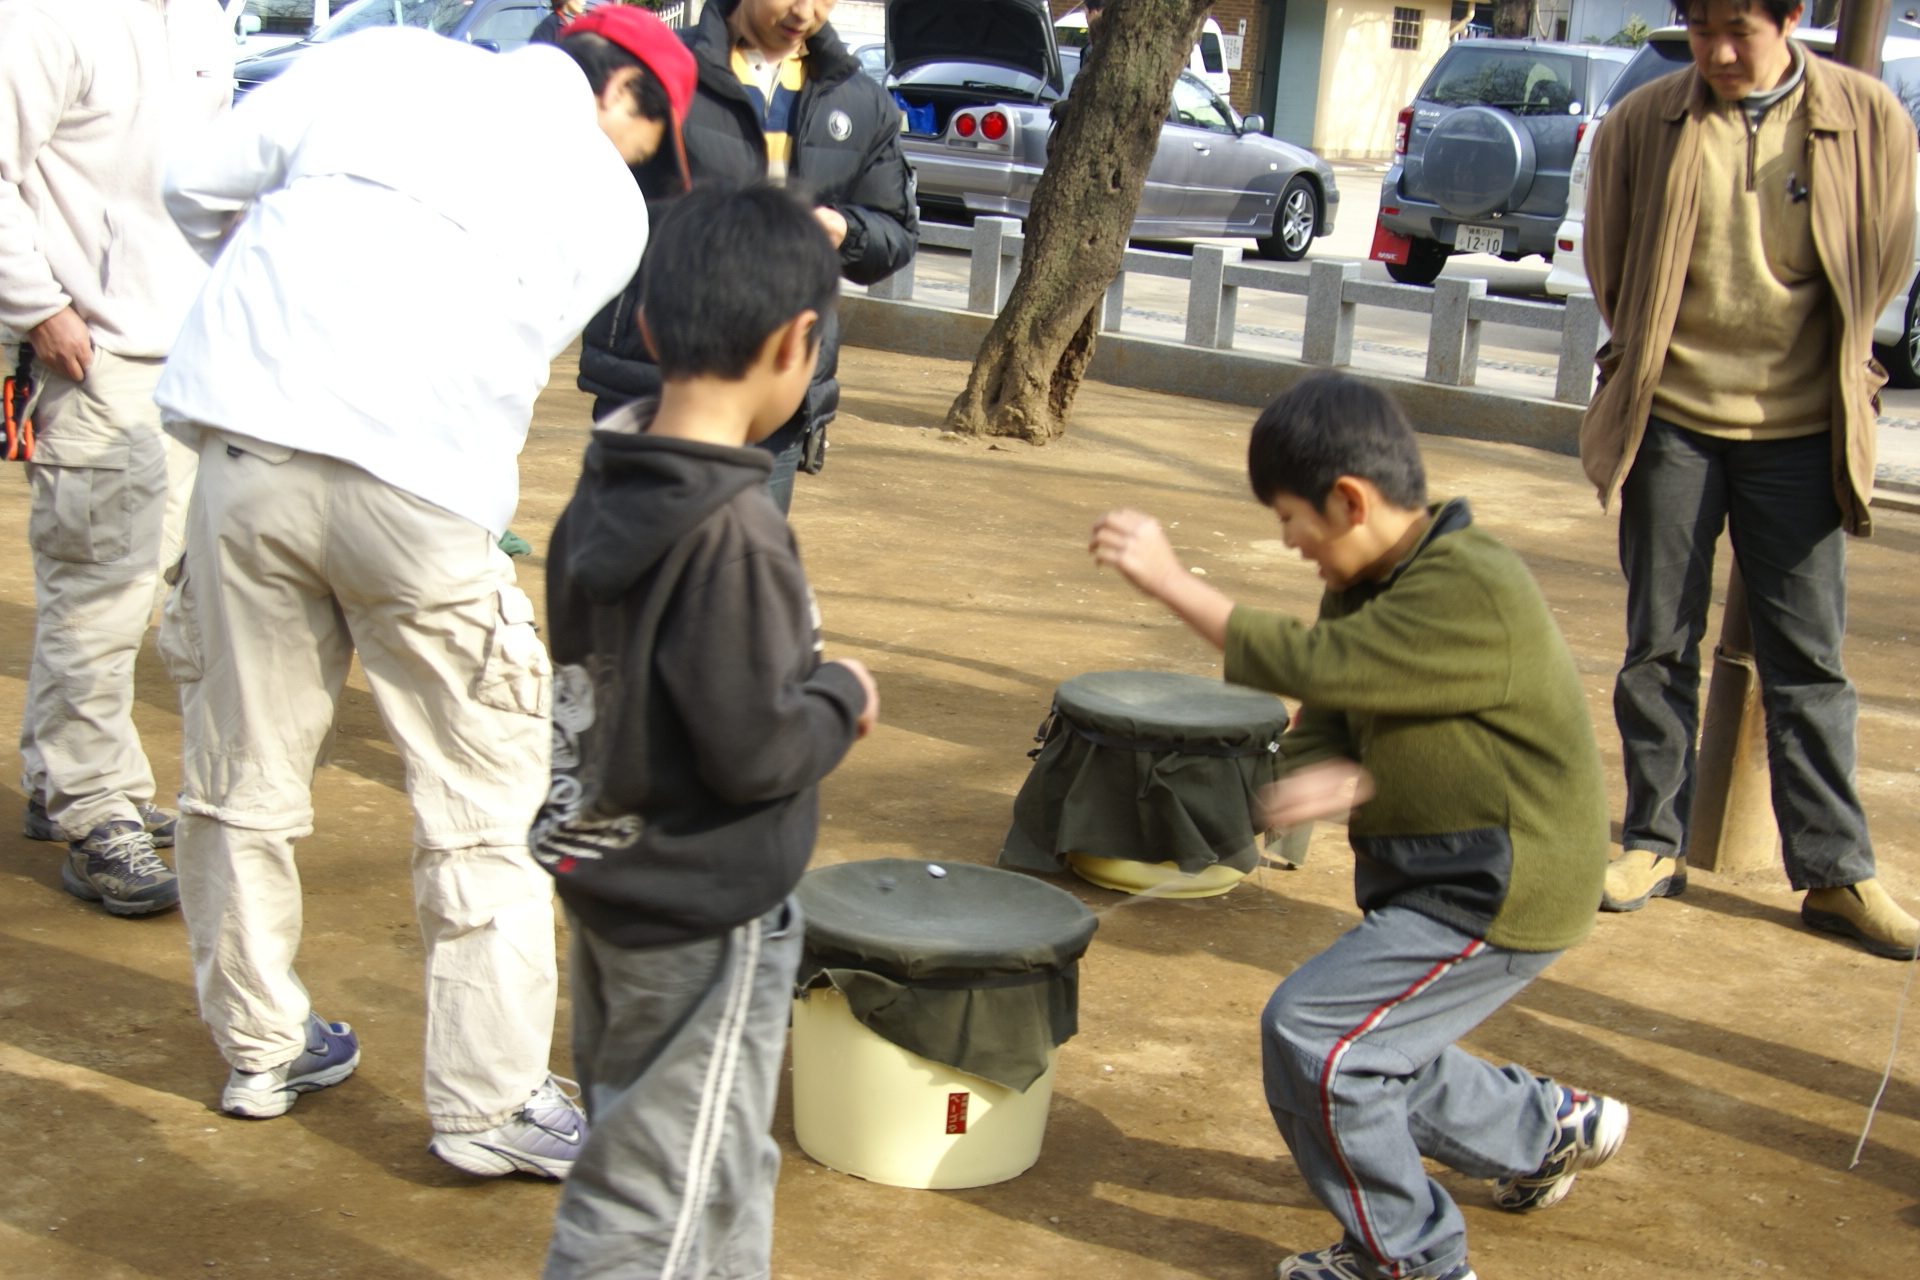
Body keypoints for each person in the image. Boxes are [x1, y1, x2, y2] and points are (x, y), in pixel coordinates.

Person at [151, 9, 695, 1177]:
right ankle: (491, 1103)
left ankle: (259, 1048)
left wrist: (285, 298)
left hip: (246, 455)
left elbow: (194, 186)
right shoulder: (611, 202)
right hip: (424, 493)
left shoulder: (374, 58)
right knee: (484, 797)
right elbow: (521, 338)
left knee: (239, 773)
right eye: (655, 136)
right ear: (624, 99)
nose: (645, 159)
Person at [1089, 374, 1625, 1280]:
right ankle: (1545, 1131)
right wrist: (1317, 773)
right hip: (1439, 875)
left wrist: (1175, 584)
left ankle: (1411, 1261)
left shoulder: (1471, 585)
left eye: (1291, 520)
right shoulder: (1370, 578)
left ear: (1350, 500)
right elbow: (1331, 702)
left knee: (1316, 1039)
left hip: (1502, 885)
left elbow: (1317, 661)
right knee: (1365, 1046)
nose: (1290, 544)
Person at [533, 184, 877, 1280]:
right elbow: (755, 749)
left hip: (614, 875)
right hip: (705, 909)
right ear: (798, 343)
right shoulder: (735, 534)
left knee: (714, 1156)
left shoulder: (599, 492)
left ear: (641, 327)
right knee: (650, 1189)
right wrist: (841, 699)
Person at [1582, 0, 1919, 959]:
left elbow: (1883, 254)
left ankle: (1835, 869)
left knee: (1809, 657)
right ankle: (1655, 839)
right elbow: (1613, 258)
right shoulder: (1645, 122)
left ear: (1793, 18)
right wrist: (1655, 359)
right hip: (1674, 418)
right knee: (1659, 643)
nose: (1721, 54)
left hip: (1802, 429)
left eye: (1743, 31)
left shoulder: (1866, 117)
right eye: (1702, 33)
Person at [0, 0, 233, 917]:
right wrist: (38, 310)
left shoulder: (208, 23)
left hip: (183, 354)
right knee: (98, 589)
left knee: (146, 589)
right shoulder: (47, 18)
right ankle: (93, 810)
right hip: (90, 350)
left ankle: (71, 779)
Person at [578, 0, 917, 515]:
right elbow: (597, 191)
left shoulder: (862, 100)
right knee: (625, 553)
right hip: (656, 371)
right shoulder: (668, 70)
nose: (804, 11)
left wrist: (844, 229)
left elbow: (893, 233)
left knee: (740, 563)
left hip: (775, 390)